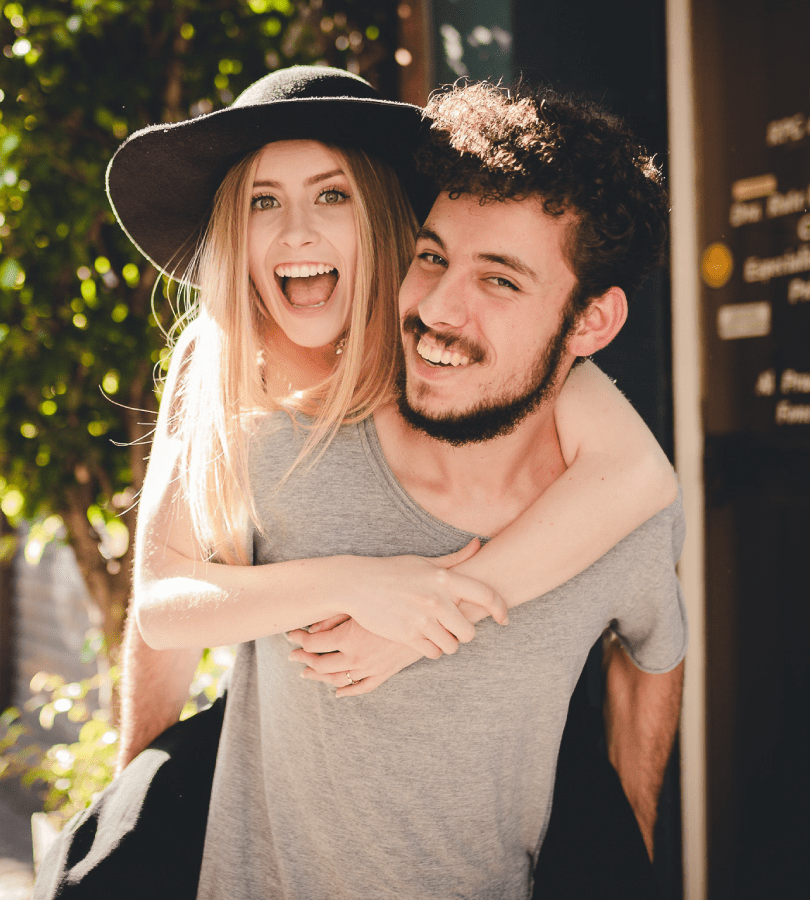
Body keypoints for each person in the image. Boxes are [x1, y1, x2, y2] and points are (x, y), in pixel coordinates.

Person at [116, 73, 686, 899]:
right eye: (262, 202)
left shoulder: (486, 363)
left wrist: (448, 597)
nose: (296, 231)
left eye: (332, 195)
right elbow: (163, 609)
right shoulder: (224, 366)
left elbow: (640, 479)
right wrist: (358, 583)